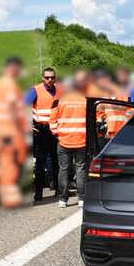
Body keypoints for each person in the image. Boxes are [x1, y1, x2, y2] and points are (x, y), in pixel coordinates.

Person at [0, 56, 28, 208]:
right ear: (13, 67)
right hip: (11, 131)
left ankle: (8, 196)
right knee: (10, 164)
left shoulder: (2, 83)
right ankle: (10, 198)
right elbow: (13, 107)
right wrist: (21, 130)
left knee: (7, 163)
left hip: (5, 130)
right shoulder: (9, 84)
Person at [49, 70, 89, 208]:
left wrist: (57, 134)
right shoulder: (85, 102)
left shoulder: (61, 102)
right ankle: (82, 199)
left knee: (64, 170)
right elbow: (91, 122)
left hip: (64, 141)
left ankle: (62, 200)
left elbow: (52, 120)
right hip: (81, 141)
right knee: (80, 170)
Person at [25, 67, 62, 203]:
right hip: (40, 131)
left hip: (55, 131)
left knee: (57, 162)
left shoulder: (60, 90)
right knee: (40, 163)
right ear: (42, 78)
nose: (49, 80)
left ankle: (58, 189)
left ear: (55, 78)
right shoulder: (35, 90)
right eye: (47, 77)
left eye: (52, 77)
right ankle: (38, 193)